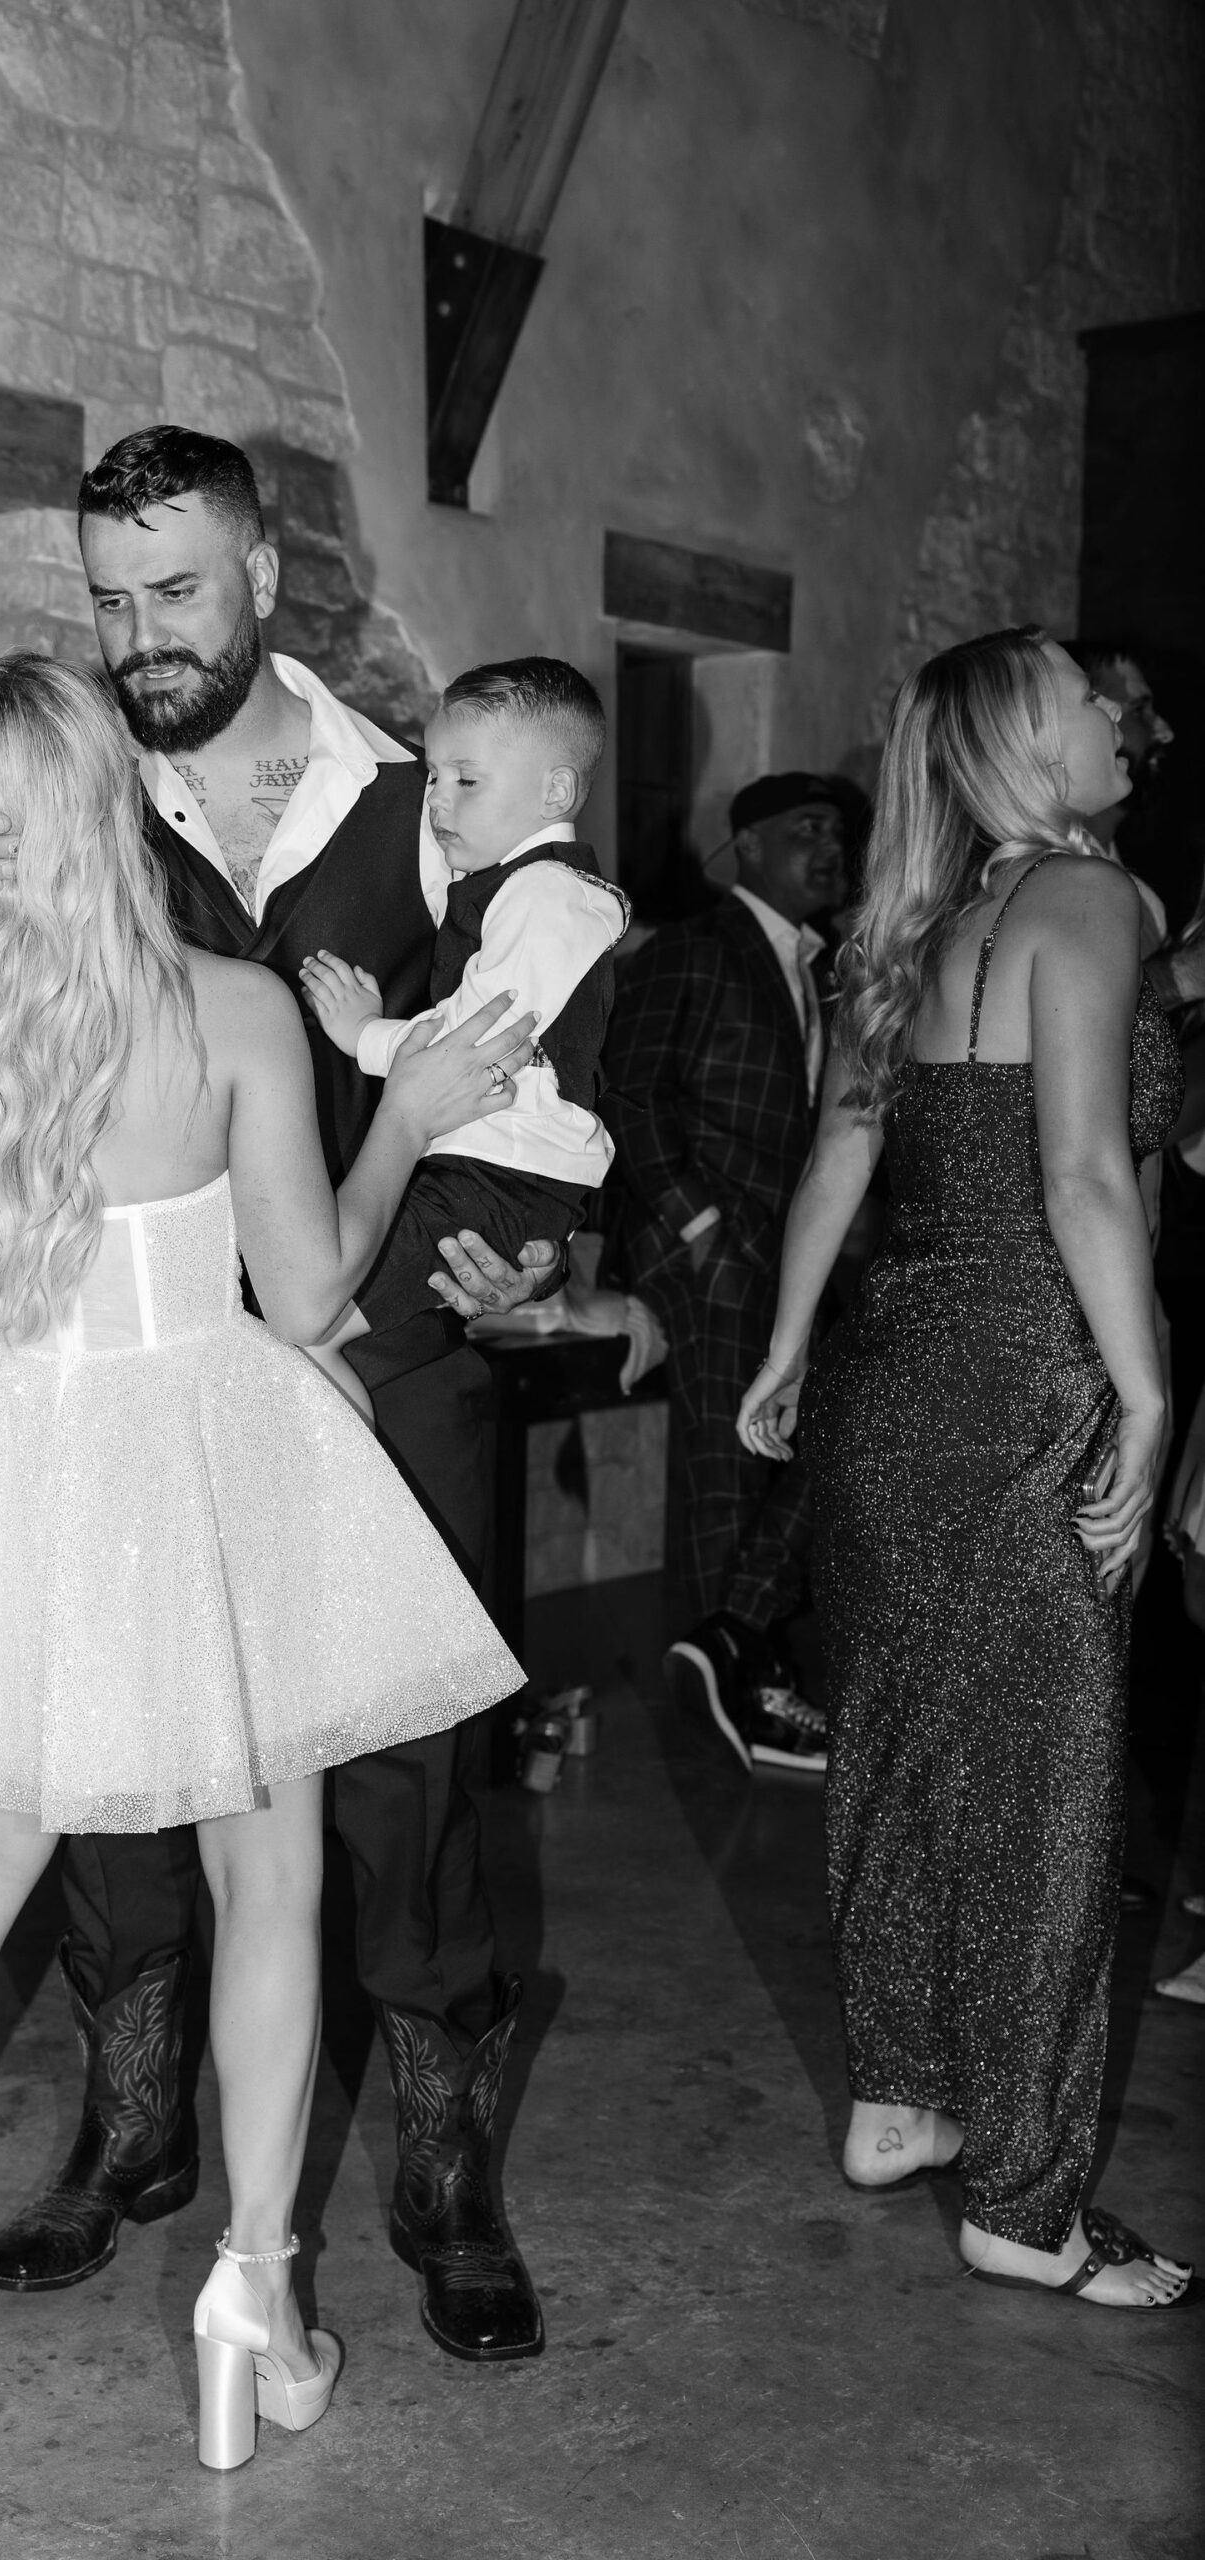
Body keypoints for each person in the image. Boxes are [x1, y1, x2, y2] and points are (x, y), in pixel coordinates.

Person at [0, 425, 556, 2363]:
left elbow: (554, 1025)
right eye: (108, 604)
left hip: (133, 1420)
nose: (138, 634)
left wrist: (547, 1229)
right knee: (233, 1856)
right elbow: (295, 1274)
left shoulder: (424, 788)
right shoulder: (192, 992)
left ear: (263, 574)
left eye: (174, 592)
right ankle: (230, 2253)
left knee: (385, 1811)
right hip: (229, 1404)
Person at [737, 627, 1192, 2308]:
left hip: (880, 1391)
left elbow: (840, 1148)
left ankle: (899, 2102)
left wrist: (786, 1351)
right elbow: (1079, 1173)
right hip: (1025, 1380)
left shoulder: (905, 932)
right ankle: (1023, 2201)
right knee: (1047, 1798)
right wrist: (1145, 1403)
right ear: (1027, 738)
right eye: (1088, 692)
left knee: (900, 1758)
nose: (1113, 707)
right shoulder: (1086, 903)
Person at [599, 773, 848, 1773]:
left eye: (838, 831)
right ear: (746, 846)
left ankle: (733, 1641)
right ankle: (741, 1690)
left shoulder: (821, 965)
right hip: (703, 1248)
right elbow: (631, 1091)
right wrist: (697, 1227)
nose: (830, 848)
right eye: (805, 831)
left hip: (779, 1251)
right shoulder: (693, 948)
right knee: (731, 1462)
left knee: (810, 1434)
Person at [298, 657, 626, 1391]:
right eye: (433, 778)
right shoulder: (512, 888)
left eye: (466, 780)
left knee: (308, 1327)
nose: (438, 801)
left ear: (556, 790)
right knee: (313, 1333)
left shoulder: (547, 894)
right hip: (488, 1171)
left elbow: (473, 1044)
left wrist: (361, 1034)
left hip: (495, 1177)